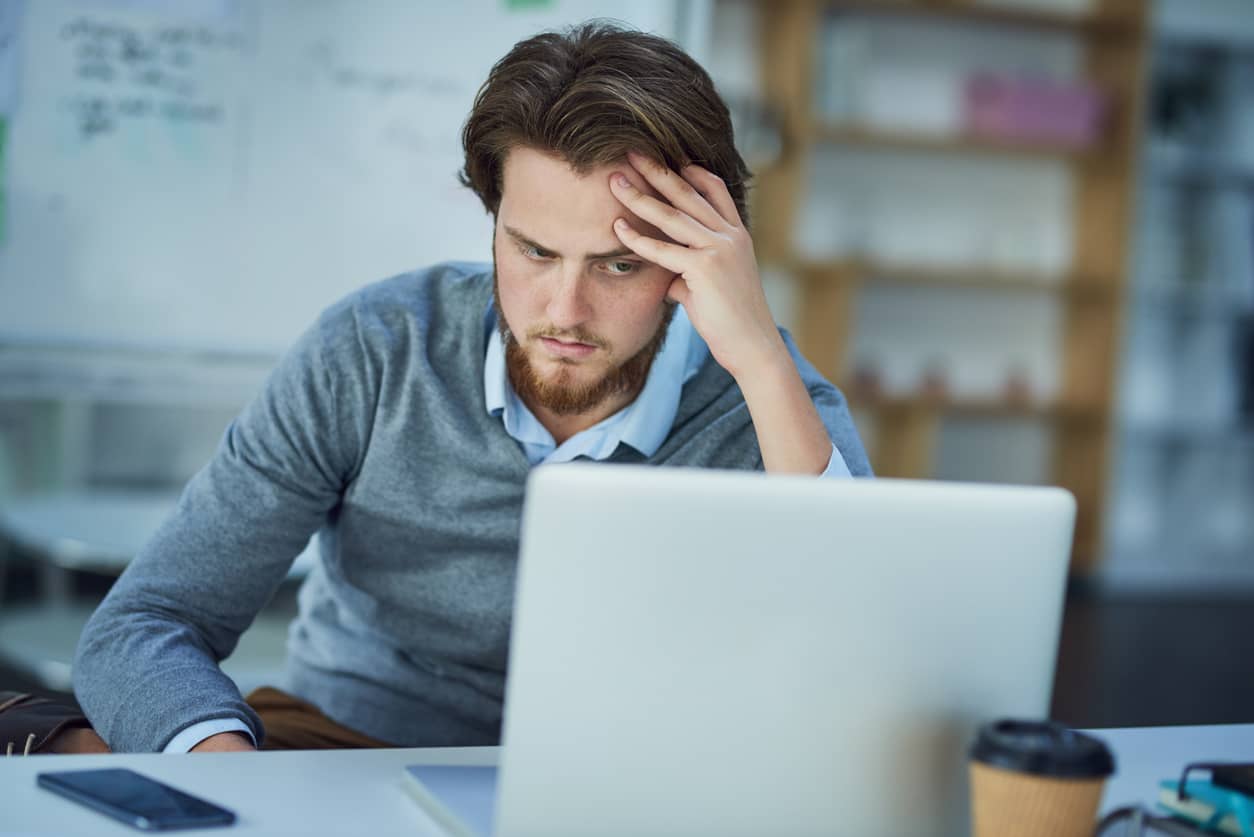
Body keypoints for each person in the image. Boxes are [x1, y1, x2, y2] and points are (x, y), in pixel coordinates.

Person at [1, 20, 870, 757]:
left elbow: (860, 670)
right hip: (345, 749)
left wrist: (760, 357)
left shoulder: (769, 403)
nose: (565, 310)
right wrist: (233, 775)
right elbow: (145, 623)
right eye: (533, 251)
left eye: (619, 264)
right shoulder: (374, 352)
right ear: (491, 221)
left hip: (622, 782)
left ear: (698, 256)